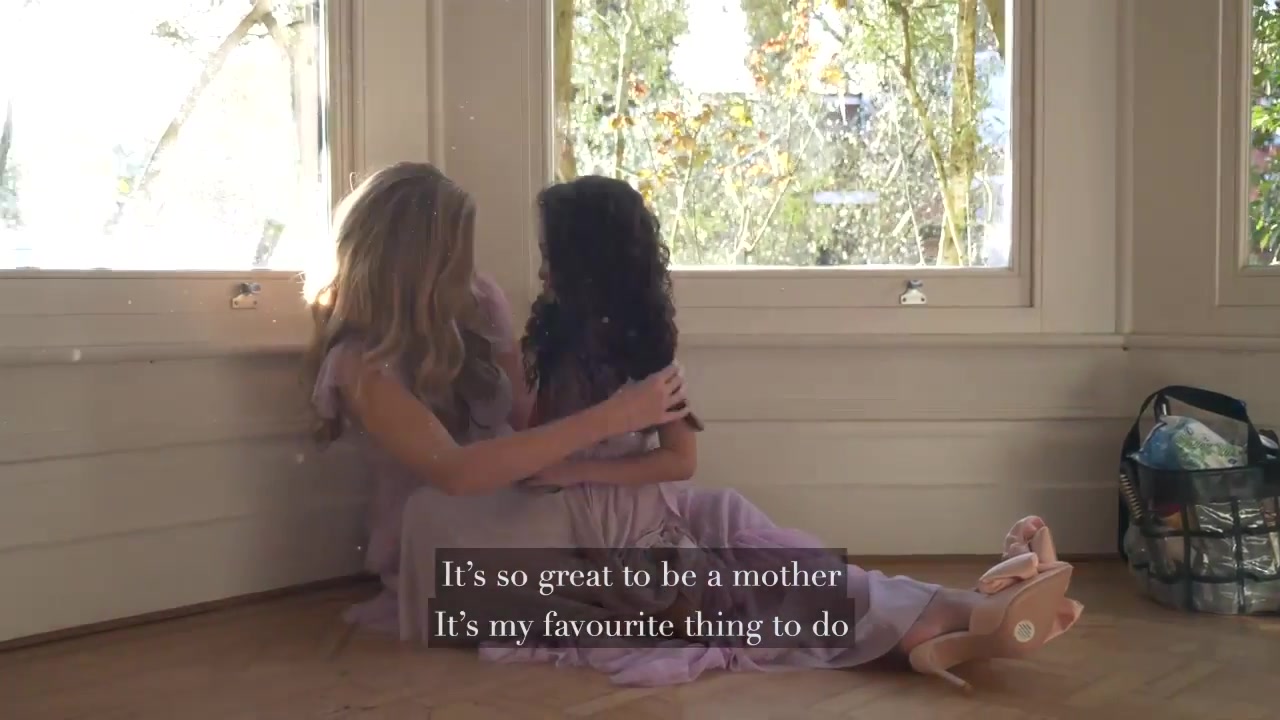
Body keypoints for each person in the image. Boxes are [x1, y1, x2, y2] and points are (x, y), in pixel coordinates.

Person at [477, 175, 1082, 690]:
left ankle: (968, 611)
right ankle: (965, 616)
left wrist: (574, 468)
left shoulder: (641, 349)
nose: (542, 269)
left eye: (551, 254)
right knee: (776, 589)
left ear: (588, 262)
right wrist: (506, 346)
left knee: (784, 559)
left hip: (654, 519)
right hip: (626, 548)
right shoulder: (555, 342)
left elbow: (679, 459)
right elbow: (537, 437)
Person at [302, 162, 691, 640]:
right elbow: (456, 474)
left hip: (522, 490)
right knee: (431, 515)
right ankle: (622, 602)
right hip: (447, 522)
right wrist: (613, 417)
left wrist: (590, 445)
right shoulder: (358, 365)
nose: (467, 264)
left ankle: (630, 588)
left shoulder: (478, 300)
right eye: (455, 249)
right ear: (414, 260)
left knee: (611, 510)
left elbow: (529, 421)